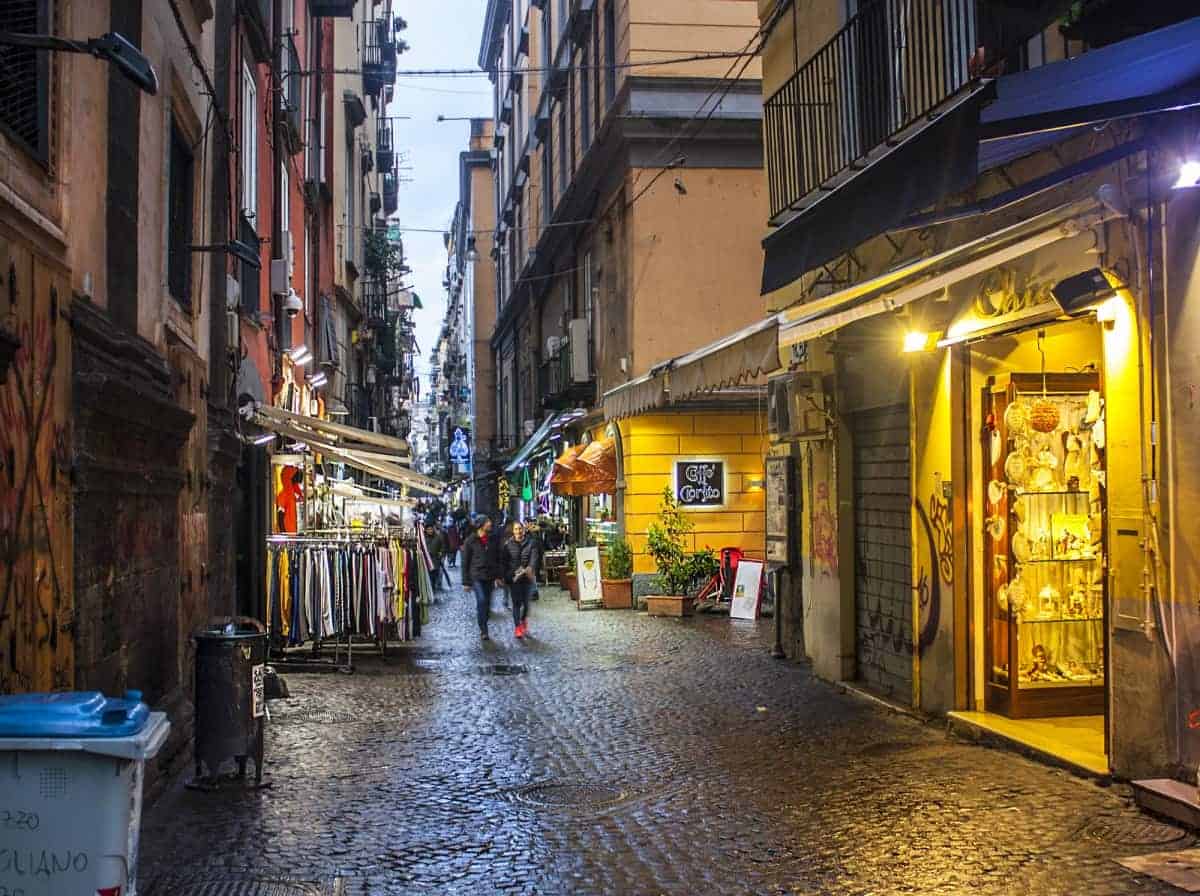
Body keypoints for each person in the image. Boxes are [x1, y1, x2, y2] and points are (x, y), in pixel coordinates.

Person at [461, 516, 501, 640]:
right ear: (481, 525)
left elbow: (497, 559)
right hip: (476, 576)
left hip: (489, 576)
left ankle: (484, 619)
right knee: (482, 600)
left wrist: (498, 576)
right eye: (488, 522)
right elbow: (465, 561)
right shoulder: (470, 541)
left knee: (487, 603)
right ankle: (483, 629)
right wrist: (466, 582)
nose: (490, 523)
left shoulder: (493, 539)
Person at [502, 522, 541, 638]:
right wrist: (506, 575)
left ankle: (523, 620)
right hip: (514, 578)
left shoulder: (531, 543)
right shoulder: (508, 545)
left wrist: (530, 567)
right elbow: (504, 562)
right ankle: (517, 627)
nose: (518, 531)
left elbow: (534, 557)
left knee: (526, 603)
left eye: (520, 529)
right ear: (513, 531)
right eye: (516, 529)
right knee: (516, 603)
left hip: (527, 577)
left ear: (523, 530)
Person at [424, 523, 447, 591]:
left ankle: (433, 588)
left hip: (435, 560)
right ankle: (429, 589)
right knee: (428, 576)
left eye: (431, 529)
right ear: (426, 530)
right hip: (426, 560)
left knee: (434, 576)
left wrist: (440, 554)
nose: (430, 531)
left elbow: (443, 547)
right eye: (428, 529)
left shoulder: (438, 537)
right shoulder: (424, 538)